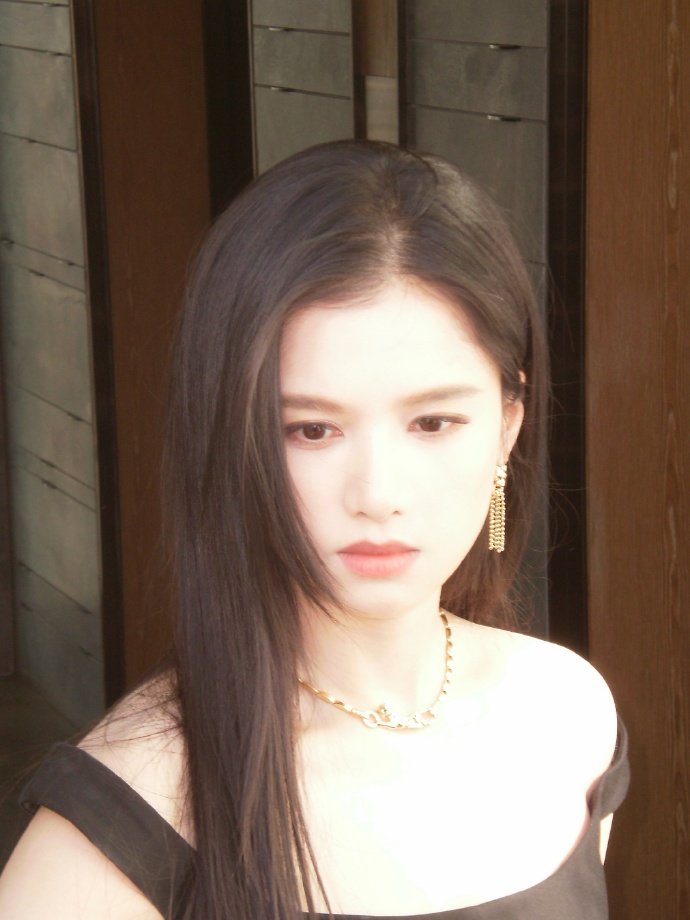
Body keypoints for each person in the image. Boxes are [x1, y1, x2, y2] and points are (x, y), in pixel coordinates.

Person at [0, 140, 628, 920]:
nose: (378, 495)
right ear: (232, 438)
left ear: (508, 425)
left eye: (433, 422)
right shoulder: (132, 807)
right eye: (311, 430)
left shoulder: (565, 713)